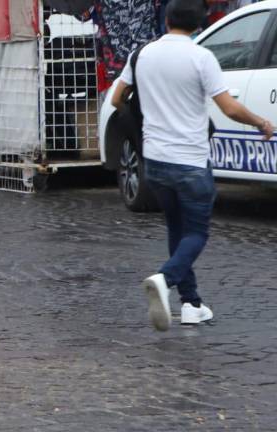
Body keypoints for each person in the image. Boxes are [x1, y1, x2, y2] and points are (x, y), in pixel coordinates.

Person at [111, 0, 274, 331]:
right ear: (199, 24)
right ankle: (165, 278)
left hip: (154, 160)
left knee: (177, 229)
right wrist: (260, 122)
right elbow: (228, 108)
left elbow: (116, 99)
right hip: (190, 160)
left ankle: (191, 304)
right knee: (197, 232)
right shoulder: (201, 57)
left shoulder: (142, 54)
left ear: (167, 19)